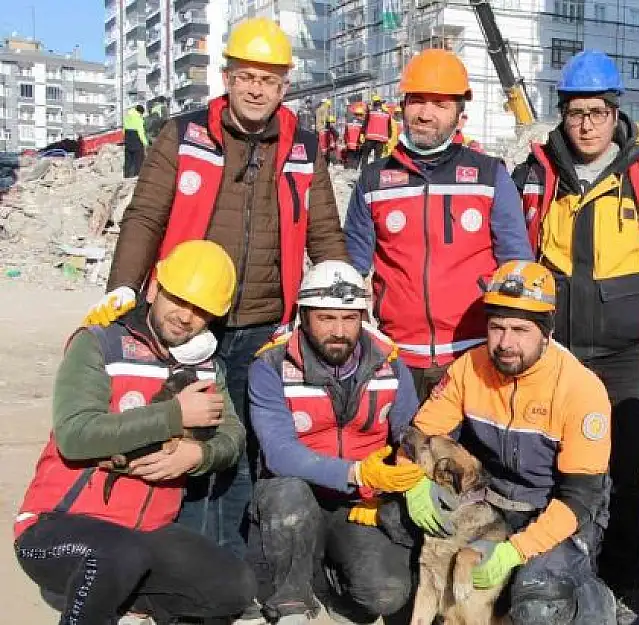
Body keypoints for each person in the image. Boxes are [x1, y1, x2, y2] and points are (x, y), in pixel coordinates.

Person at [84, 16, 349, 558]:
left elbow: (324, 230)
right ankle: (174, 559)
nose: (256, 88)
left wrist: (340, 298)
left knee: (243, 445)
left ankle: (229, 563)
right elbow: (145, 217)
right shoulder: (184, 135)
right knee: (179, 437)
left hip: (261, 324)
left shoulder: (303, 146)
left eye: (269, 79)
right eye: (246, 76)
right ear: (227, 77)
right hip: (188, 319)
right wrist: (124, 290)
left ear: (284, 86)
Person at [512, 48, 639, 620]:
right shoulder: (539, 172)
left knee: (623, 470)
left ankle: (622, 586)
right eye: (576, 113)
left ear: (615, 112)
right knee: (557, 467)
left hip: (631, 357)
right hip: (560, 354)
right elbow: (517, 250)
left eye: (597, 111)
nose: (587, 124)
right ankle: (562, 576)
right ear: (563, 115)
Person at [13, 240, 255, 625]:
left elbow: (233, 437)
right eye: (179, 299)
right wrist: (173, 415)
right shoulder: (99, 343)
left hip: (149, 533)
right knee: (116, 554)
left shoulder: (208, 367)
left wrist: (199, 456)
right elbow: (75, 435)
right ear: (155, 286)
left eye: (201, 310)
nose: (186, 316)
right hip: (54, 529)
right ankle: (84, 593)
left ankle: (118, 594)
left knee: (233, 586)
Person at [401, 260, 617, 624]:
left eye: (520, 329)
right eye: (497, 327)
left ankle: (593, 603)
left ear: (547, 333)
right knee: (395, 519)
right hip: (493, 505)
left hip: (557, 513)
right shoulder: (470, 368)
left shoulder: (581, 389)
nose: (505, 343)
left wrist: (513, 552)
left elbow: (579, 500)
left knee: (537, 599)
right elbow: (418, 435)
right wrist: (411, 483)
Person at [344, 48, 533, 401]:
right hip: (397, 355)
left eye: (440, 104)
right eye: (417, 101)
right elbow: (351, 270)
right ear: (402, 106)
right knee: (402, 453)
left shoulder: (489, 176)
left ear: (460, 115)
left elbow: (517, 266)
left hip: (474, 353)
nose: (425, 114)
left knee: (469, 457)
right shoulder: (373, 181)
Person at [247, 260, 421, 625]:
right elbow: (278, 453)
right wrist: (355, 472)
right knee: (287, 495)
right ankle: (290, 602)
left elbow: (409, 431)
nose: (339, 331)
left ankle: (323, 576)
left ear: (364, 318)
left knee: (386, 594)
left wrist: (405, 468)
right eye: (326, 318)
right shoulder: (271, 365)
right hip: (296, 492)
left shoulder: (390, 363)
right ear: (304, 316)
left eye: (350, 318)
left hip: (360, 502)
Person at [363, 94, 393, 162]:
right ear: (380, 103)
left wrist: (362, 133)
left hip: (369, 138)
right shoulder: (387, 114)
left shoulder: (370, 112)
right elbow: (389, 127)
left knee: (365, 156)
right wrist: (389, 137)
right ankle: (376, 171)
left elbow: (365, 124)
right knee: (378, 158)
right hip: (381, 140)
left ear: (373, 103)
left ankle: (363, 169)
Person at [123, 104, 149, 178]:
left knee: (128, 159)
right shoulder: (138, 118)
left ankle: (127, 175)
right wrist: (145, 142)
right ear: (140, 112)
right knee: (138, 158)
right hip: (136, 139)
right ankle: (137, 174)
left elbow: (124, 129)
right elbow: (141, 132)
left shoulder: (127, 116)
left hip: (128, 137)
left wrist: (125, 138)